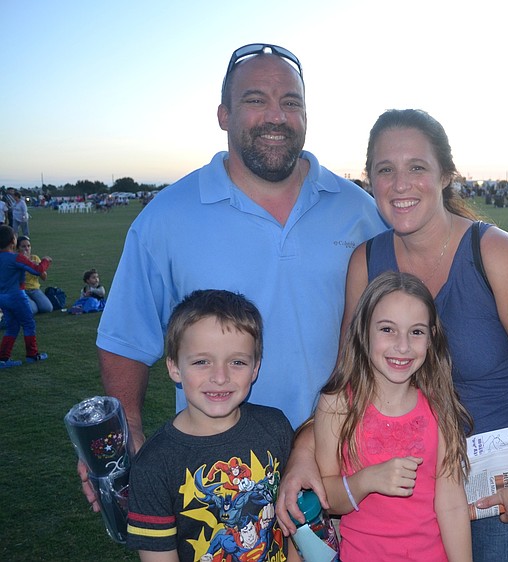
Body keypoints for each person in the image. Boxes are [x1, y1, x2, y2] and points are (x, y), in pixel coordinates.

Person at [85, 44, 386, 516]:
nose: (276, 116)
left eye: (291, 102)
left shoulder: (358, 210)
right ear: (224, 114)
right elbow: (125, 338)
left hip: (345, 463)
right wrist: (134, 430)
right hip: (219, 477)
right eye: (255, 100)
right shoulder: (166, 218)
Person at [318, 109, 508, 561]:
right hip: (403, 478)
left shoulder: (494, 253)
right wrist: (308, 449)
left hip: (497, 477)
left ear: (446, 175)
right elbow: (347, 376)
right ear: (369, 179)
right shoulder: (366, 262)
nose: (400, 184)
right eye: (385, 170)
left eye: (417, 167)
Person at [126, 289, 301, 562]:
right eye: (201, 362)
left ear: (255, 369)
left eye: (237, 362)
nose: (220, 377)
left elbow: (292, 527)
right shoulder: (153, 464)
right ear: (174, 367)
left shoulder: (275, 426)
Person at [314, 271, 473, 561]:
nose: (403, 346)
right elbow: (327, 496)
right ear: (364, 330)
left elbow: (451, 504)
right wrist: (367, 480)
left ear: (431, 338)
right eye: (387, 329)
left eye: (416, 332)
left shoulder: (439, 406)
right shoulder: (337, 404)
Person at [0, 225, 51, 364]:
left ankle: (3, 359)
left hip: (2, 298)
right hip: (16, 296)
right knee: (29, 324)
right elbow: (37, 270)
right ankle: (32, 355)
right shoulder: (16, 258)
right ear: (12, 241)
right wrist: (46, 260)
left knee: (12, 326)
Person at [16, 236, 54, 314]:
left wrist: (39, 269)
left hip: (34, 289)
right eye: (23, 246)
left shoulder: (35, 258)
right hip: (22, 290)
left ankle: (31, 302)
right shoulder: (16, 259)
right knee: (33, 310)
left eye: (28, 246)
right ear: (18, 249)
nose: (27, 248)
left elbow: (44, 278)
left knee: (47, 308)